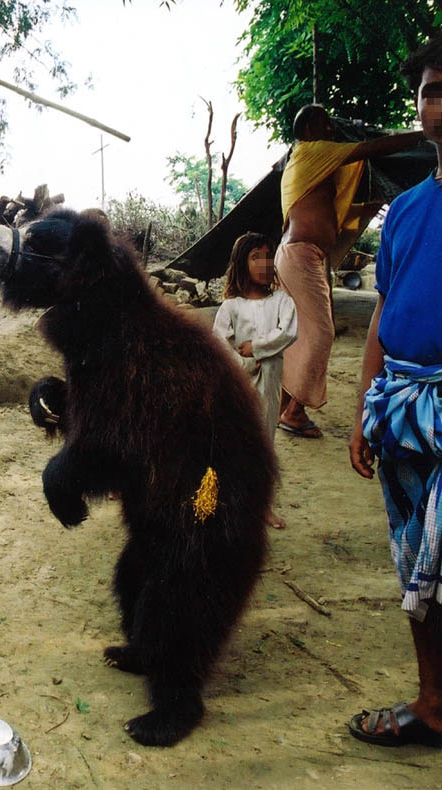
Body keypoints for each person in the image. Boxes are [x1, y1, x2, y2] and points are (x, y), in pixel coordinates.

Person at [348, 35, 442, 747]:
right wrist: (362, 412)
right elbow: (382, 313)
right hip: (402, 410)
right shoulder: (405, 210)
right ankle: (432, 703)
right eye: (430, 93)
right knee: (414, 564)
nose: (439, 106)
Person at [275, 104, 423, 439]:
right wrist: (423, 133)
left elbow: (332, 210)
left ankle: (283, 405)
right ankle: (294, 412)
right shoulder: (313, 150)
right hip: (300, 255)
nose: (332, 130)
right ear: (311, 128)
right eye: (326, 124)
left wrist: (368, 207)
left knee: (302, 333)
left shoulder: (311, 163)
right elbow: (373, 148)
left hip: (303, 255)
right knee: (321, 333)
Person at [213, 232, 297, 529]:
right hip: (238, 389)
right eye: (255, 257)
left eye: (268, 256)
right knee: (234, 447)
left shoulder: (282, 301)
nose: (264, 263)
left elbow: (288, 332)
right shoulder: (231, 307)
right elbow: (221, 344)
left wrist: (256, 347)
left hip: (269, 389)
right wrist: (246, 363)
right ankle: (228, 505)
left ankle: (261, 507)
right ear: (240, 263)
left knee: (264, 445)